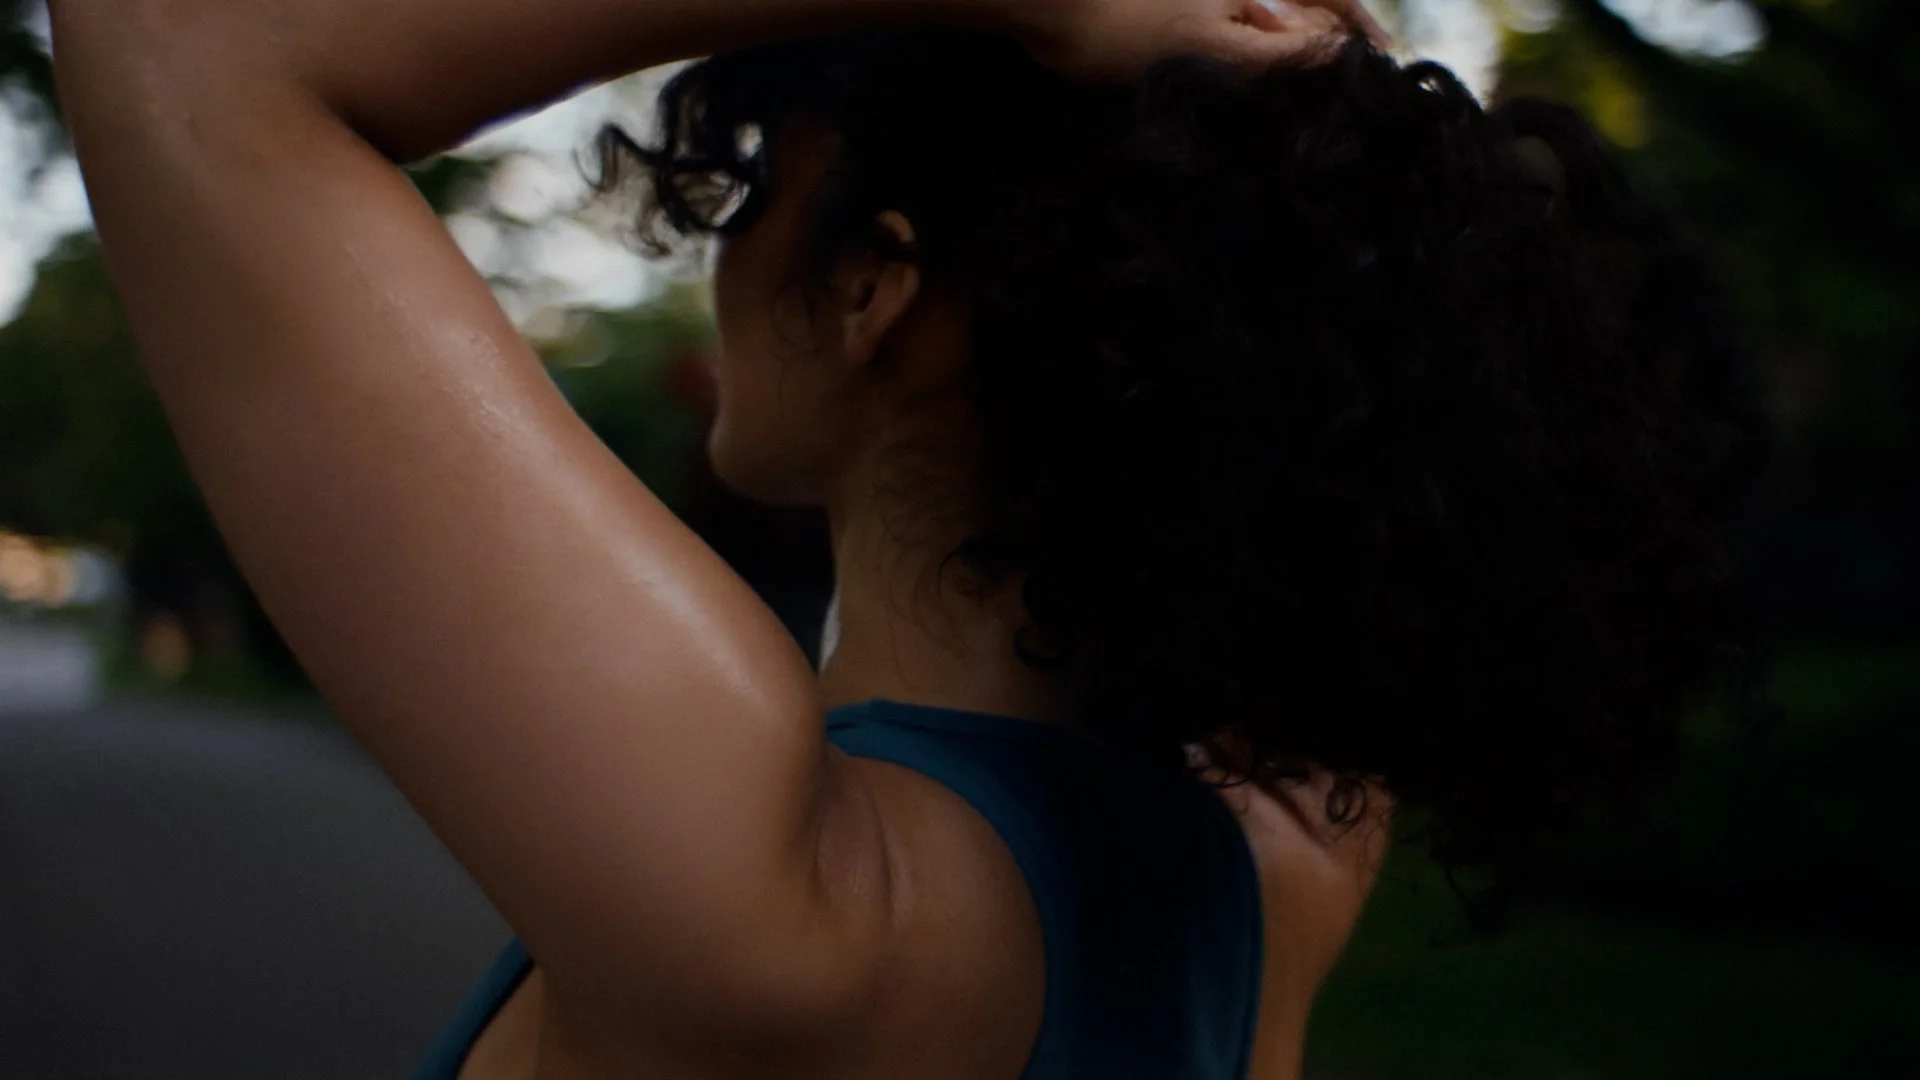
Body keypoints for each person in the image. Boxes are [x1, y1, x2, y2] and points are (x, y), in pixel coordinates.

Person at [47, 0, 1764, 1076]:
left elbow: (183, 36)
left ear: (874, 282)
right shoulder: (1283, 856)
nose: (716, 255)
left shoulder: (790, 910)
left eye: (749, 191)